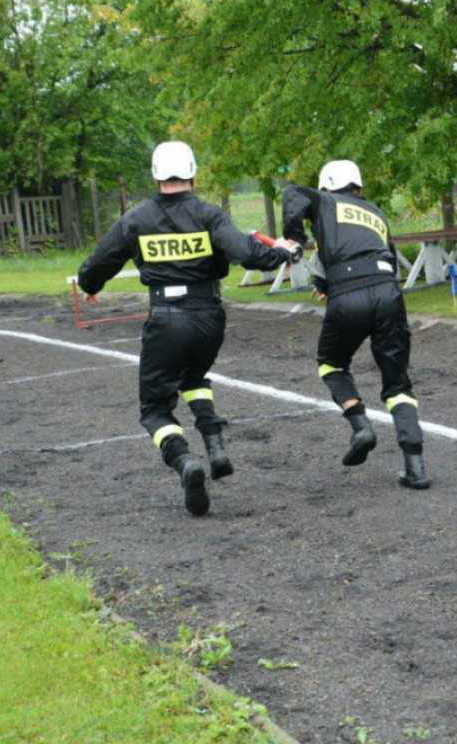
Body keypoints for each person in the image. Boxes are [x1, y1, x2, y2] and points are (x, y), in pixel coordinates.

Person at [77, 140, 302, 516]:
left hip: (166, 317)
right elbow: (248, 254)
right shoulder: (209, 214)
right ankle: (214, 447)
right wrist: (281, 251)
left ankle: (185, 462)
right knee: (195, 375)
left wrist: (90, 287)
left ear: (154, 174)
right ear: (193, 173)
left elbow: (98, 264)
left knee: (154, 409)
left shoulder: (136, 219)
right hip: (209, 317)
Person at [281, 160, 431, 490]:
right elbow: (380, 256)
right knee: (397, 383)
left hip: (349, 297)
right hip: (388, 292)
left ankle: (360, 425)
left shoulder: (324, 202)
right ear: (358, 188)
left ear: (325, 188)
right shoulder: (375, 212)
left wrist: (293, 239)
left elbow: (292, 194)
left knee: (331, 364)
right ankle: (415, 466)